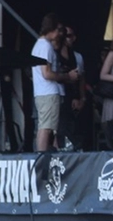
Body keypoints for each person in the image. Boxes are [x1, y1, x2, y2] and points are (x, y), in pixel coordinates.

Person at [32, 14, 80, 152]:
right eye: (58, 30)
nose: (60, 34)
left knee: (50, 128)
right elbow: (46, 73)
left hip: (44, 92)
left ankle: (51, 155)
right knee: (46, 128)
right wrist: (68, 76)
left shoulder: (40, 45)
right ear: (51, 29)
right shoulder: (45, 46)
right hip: (48, 92)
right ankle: (41, 158)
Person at [59, 26, 89, 149]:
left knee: (72, 128)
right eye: (64, 35)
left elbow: (81, 79)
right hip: (57, 95)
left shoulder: (77, 57)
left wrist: (82, 98)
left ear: (74, 38)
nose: (66, 38)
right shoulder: (53, 53)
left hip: (72, 97)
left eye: (69, 35)